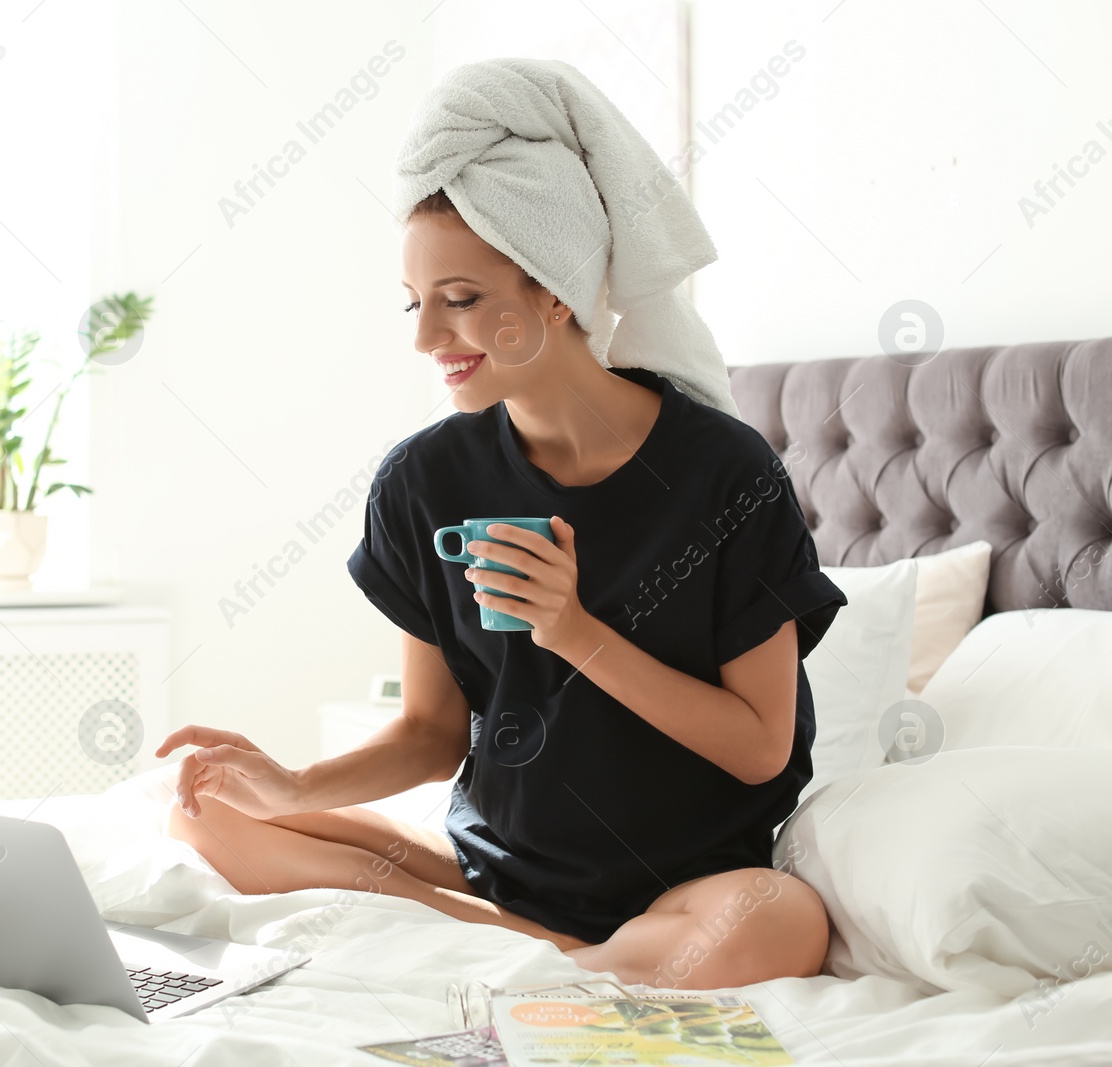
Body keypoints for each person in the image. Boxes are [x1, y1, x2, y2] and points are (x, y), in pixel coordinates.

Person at [158, 60, 848, 991]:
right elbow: (431, 733)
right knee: (202, 814)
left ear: (556, 288)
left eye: (462, 299)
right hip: (495, 866)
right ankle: (543, 948)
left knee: (781, 920)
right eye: (415, 303)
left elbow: (762, 744)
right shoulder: (424, 479)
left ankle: (498, 943)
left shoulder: (724, 471)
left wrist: (575, 632)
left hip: (683, 889)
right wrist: (292, 785)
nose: (426, 339)